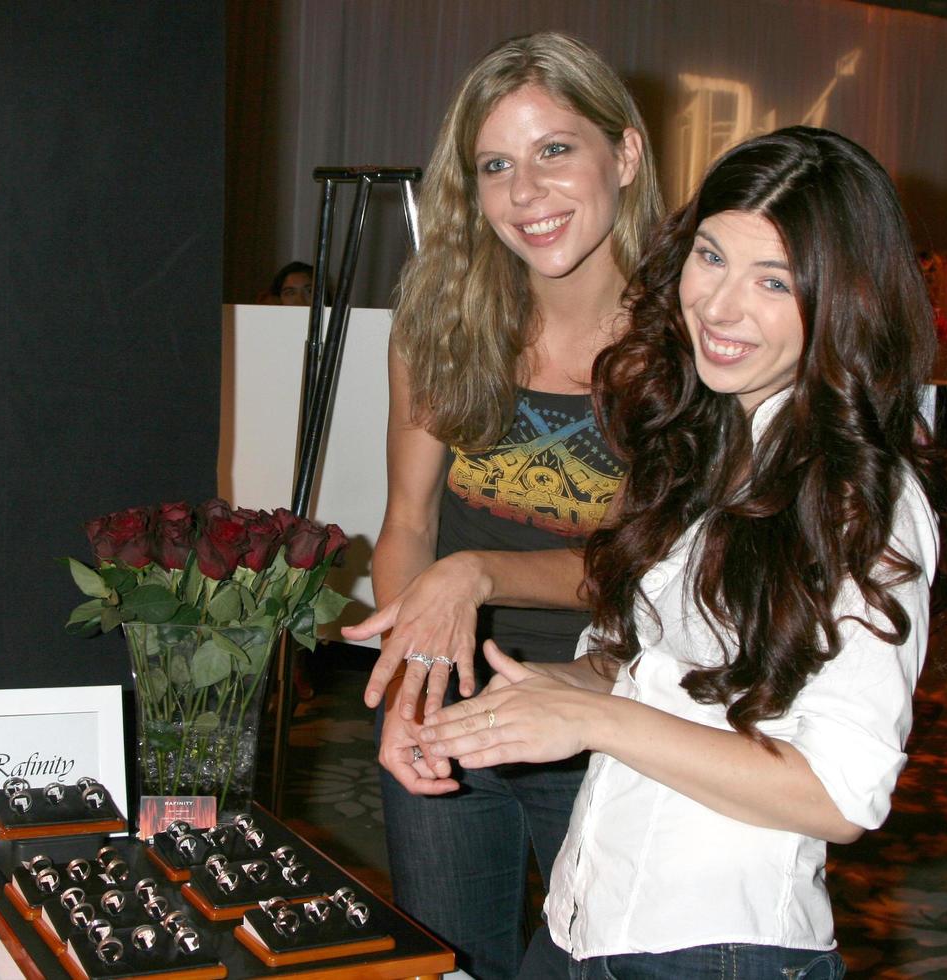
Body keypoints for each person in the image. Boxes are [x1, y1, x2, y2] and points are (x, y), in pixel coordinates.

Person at [420, 127, 947, 978]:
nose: (718, 306)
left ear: (843, 300)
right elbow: (637, 675)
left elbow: (839, 795)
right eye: (710, 257)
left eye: (772, 280)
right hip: (587, 920)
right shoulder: (699, 447)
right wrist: (492, 707)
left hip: (719, 946)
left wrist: (595, 720)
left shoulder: (864, 496)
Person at [339, 32, 663, 979]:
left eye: (555, 150)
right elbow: (405, 522)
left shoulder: (683, 345)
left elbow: (642, 565)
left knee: (584, 964)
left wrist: (471, 574)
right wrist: (407, 692)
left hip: (604, 712)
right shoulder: (441, 319)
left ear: (625, 155)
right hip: (449, 707)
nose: (526, 194)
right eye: (496, 166)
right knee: (445, 963)